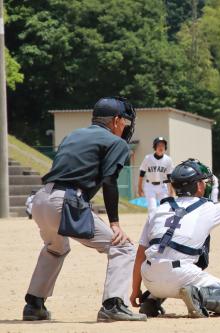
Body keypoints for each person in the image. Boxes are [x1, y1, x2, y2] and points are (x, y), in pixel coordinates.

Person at [23, 97, 146, 322]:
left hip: (41, 200)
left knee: (55, 247)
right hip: (66, 201)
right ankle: (113, 305)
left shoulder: (74, 134)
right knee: (123, 247)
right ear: (116, 120)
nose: (125, 127)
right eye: (125, 122)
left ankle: (34, 304)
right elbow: (109, 181)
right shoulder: (115, 142)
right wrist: (115, 223)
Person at [129, 159, 220, 318]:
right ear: (198, 186)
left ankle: (150, 301)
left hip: (150, 278)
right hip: (180, 275)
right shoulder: (208, 208)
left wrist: (136, 290)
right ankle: (197, 295)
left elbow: (140, 255)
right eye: (203, 181)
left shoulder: (158, 209)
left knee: (163, 255)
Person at [137, 137, 174, 213]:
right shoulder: (148, 158)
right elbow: (142, 173)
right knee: (152, 209)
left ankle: (161, 224)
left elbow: (169, 176)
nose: (161, 147)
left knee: (164, 209)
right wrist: (139, 187)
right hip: (150, 186)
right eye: (159, 145)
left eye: (163, 145)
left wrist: (172, 190)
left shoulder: (168, 159)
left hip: (163, 186)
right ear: (155, 147)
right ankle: (152, 224)